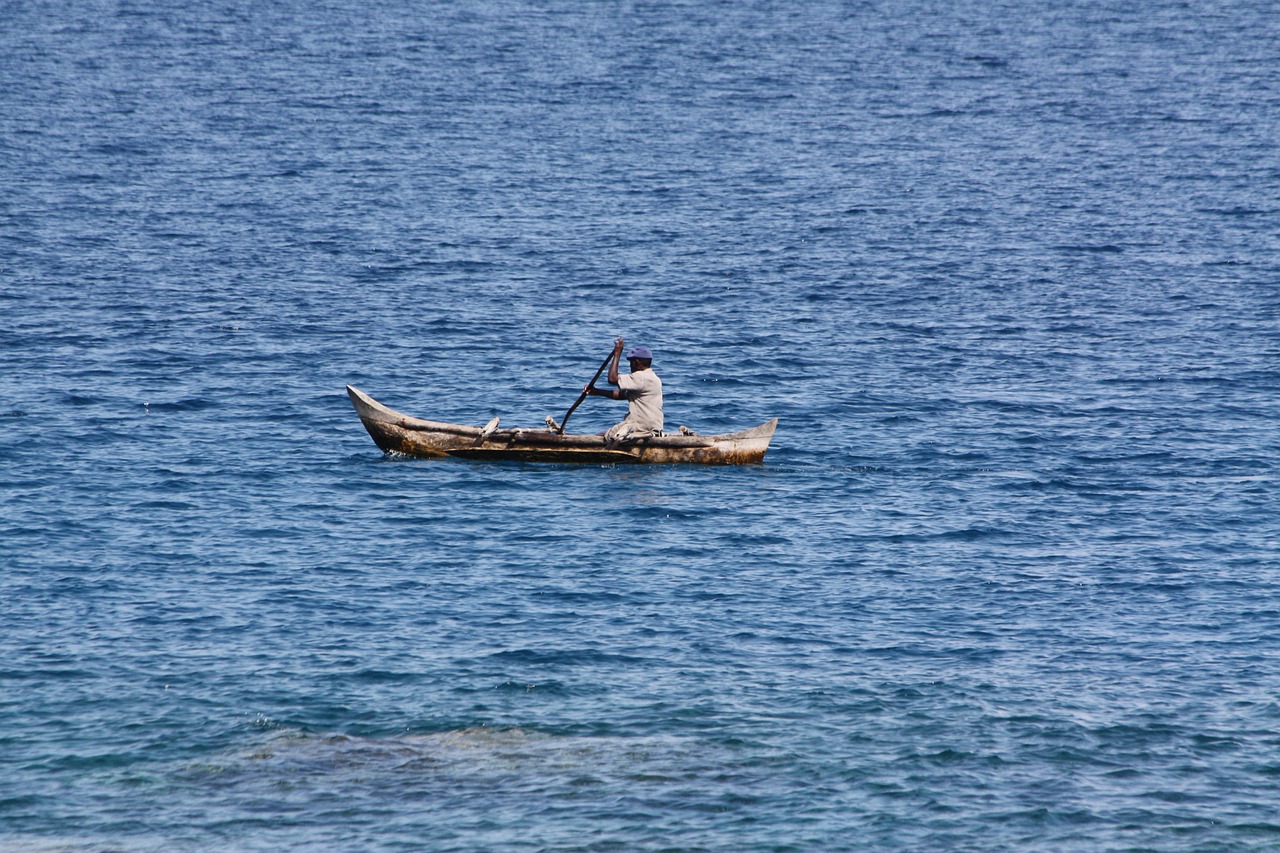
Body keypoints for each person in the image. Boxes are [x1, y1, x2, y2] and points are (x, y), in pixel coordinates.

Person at [583, 337, 664, 441]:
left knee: (601, 437)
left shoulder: (640, 377)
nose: (630, 366)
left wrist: (617, 354)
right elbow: (621, 395)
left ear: (637, 362)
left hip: (639, 426)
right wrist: (596, 391)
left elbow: (612, 379)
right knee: (606, 433)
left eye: (631, 363)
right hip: (654, 427)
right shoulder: (654, 378)